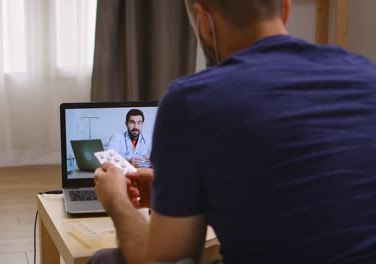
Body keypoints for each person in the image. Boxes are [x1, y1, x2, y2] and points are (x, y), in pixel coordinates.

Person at [92, 0, 376, 264]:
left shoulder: (190, 101)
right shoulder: (366, 75)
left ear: (204, 19)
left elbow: (166, 260)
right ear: (285, 8)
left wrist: (116, 201)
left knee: (105, 259)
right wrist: (183, 192)